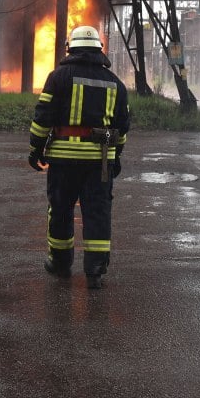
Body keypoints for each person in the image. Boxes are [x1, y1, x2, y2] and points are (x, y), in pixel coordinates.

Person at [27, 25, 130, 289]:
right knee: (97, 212)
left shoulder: (58, 77)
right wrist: (116, 156)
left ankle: (60, 263)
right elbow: (122, 126)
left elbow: (43, 117)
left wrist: (36, 148)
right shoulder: (115, 83)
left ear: (70, 48)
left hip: (63, 160)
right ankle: (95, 269)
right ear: (99, 49)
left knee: (60, 210)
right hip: (99, 162)